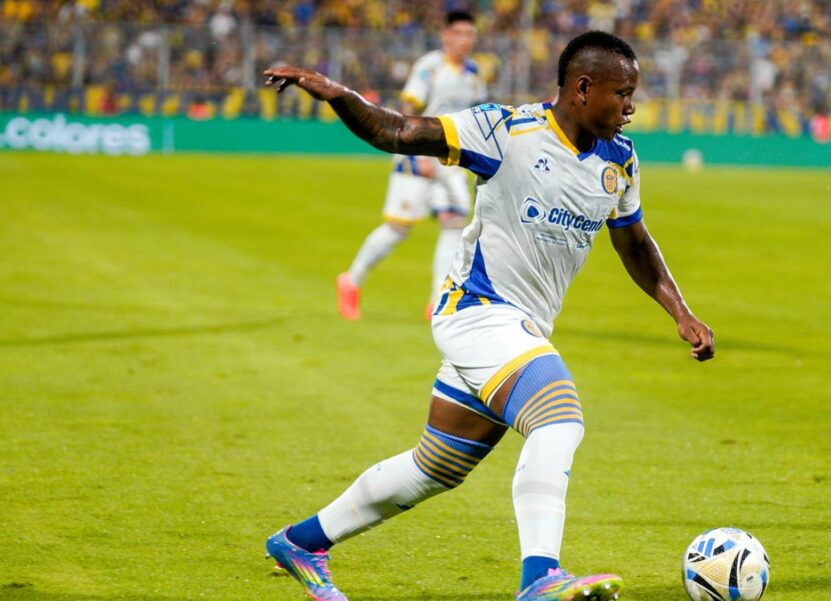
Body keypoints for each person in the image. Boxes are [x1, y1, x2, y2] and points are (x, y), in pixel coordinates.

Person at [262, 30, 715, 601]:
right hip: (477, 312)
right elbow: (400, 131)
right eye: (622, 93)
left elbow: (634, 243)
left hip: (519, 328)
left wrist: (681, 311)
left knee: (436, 467)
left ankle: (302, 542)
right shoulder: (506, 131)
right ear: (582, 87)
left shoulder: (620, 159)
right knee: (559, 416)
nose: (632, 105)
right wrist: (334, 93)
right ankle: (540, 577)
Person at [336, 10, 487, 320]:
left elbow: (475, 117)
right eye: (458, 33)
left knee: (454, 224)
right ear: (446, 35)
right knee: (397, 228)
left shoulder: (473, 73)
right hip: (416, 158)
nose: (464, 40)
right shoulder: (430, 68)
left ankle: (437, 301)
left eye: (469, 34)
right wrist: (417, 153)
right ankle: (351, 280)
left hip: (451, 160)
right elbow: (408, 108)